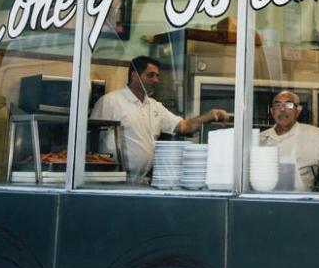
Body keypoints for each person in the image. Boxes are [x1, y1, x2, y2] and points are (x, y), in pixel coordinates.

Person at [90, 56, 229, 183]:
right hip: (112, 180)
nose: (156, 80)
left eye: (157, 76)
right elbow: (90, 142)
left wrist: (209, 115)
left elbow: (184, 126)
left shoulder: (154, 106)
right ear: (134, 76)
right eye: (150, 75)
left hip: (142, 181)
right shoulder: (110, 102)